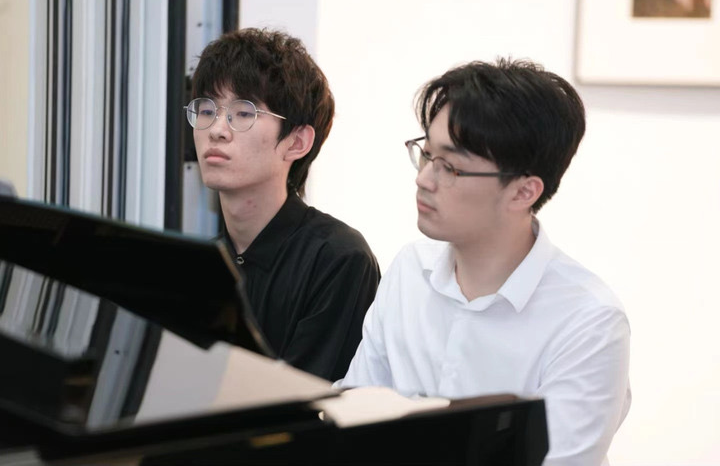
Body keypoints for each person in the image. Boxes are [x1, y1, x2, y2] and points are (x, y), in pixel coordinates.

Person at [338, 59, 631, 465]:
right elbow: (353, 414)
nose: (424, 179)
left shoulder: (588, 322)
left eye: (450, 167)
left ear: (523, 192)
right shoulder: (410, 270)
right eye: (426, 154)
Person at [187, 28, 380, 381]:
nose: (216, 130)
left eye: (243, 113)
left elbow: (302, 401)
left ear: (297, 142)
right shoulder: (198, 263)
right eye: (206, 109)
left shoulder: (338, 259)